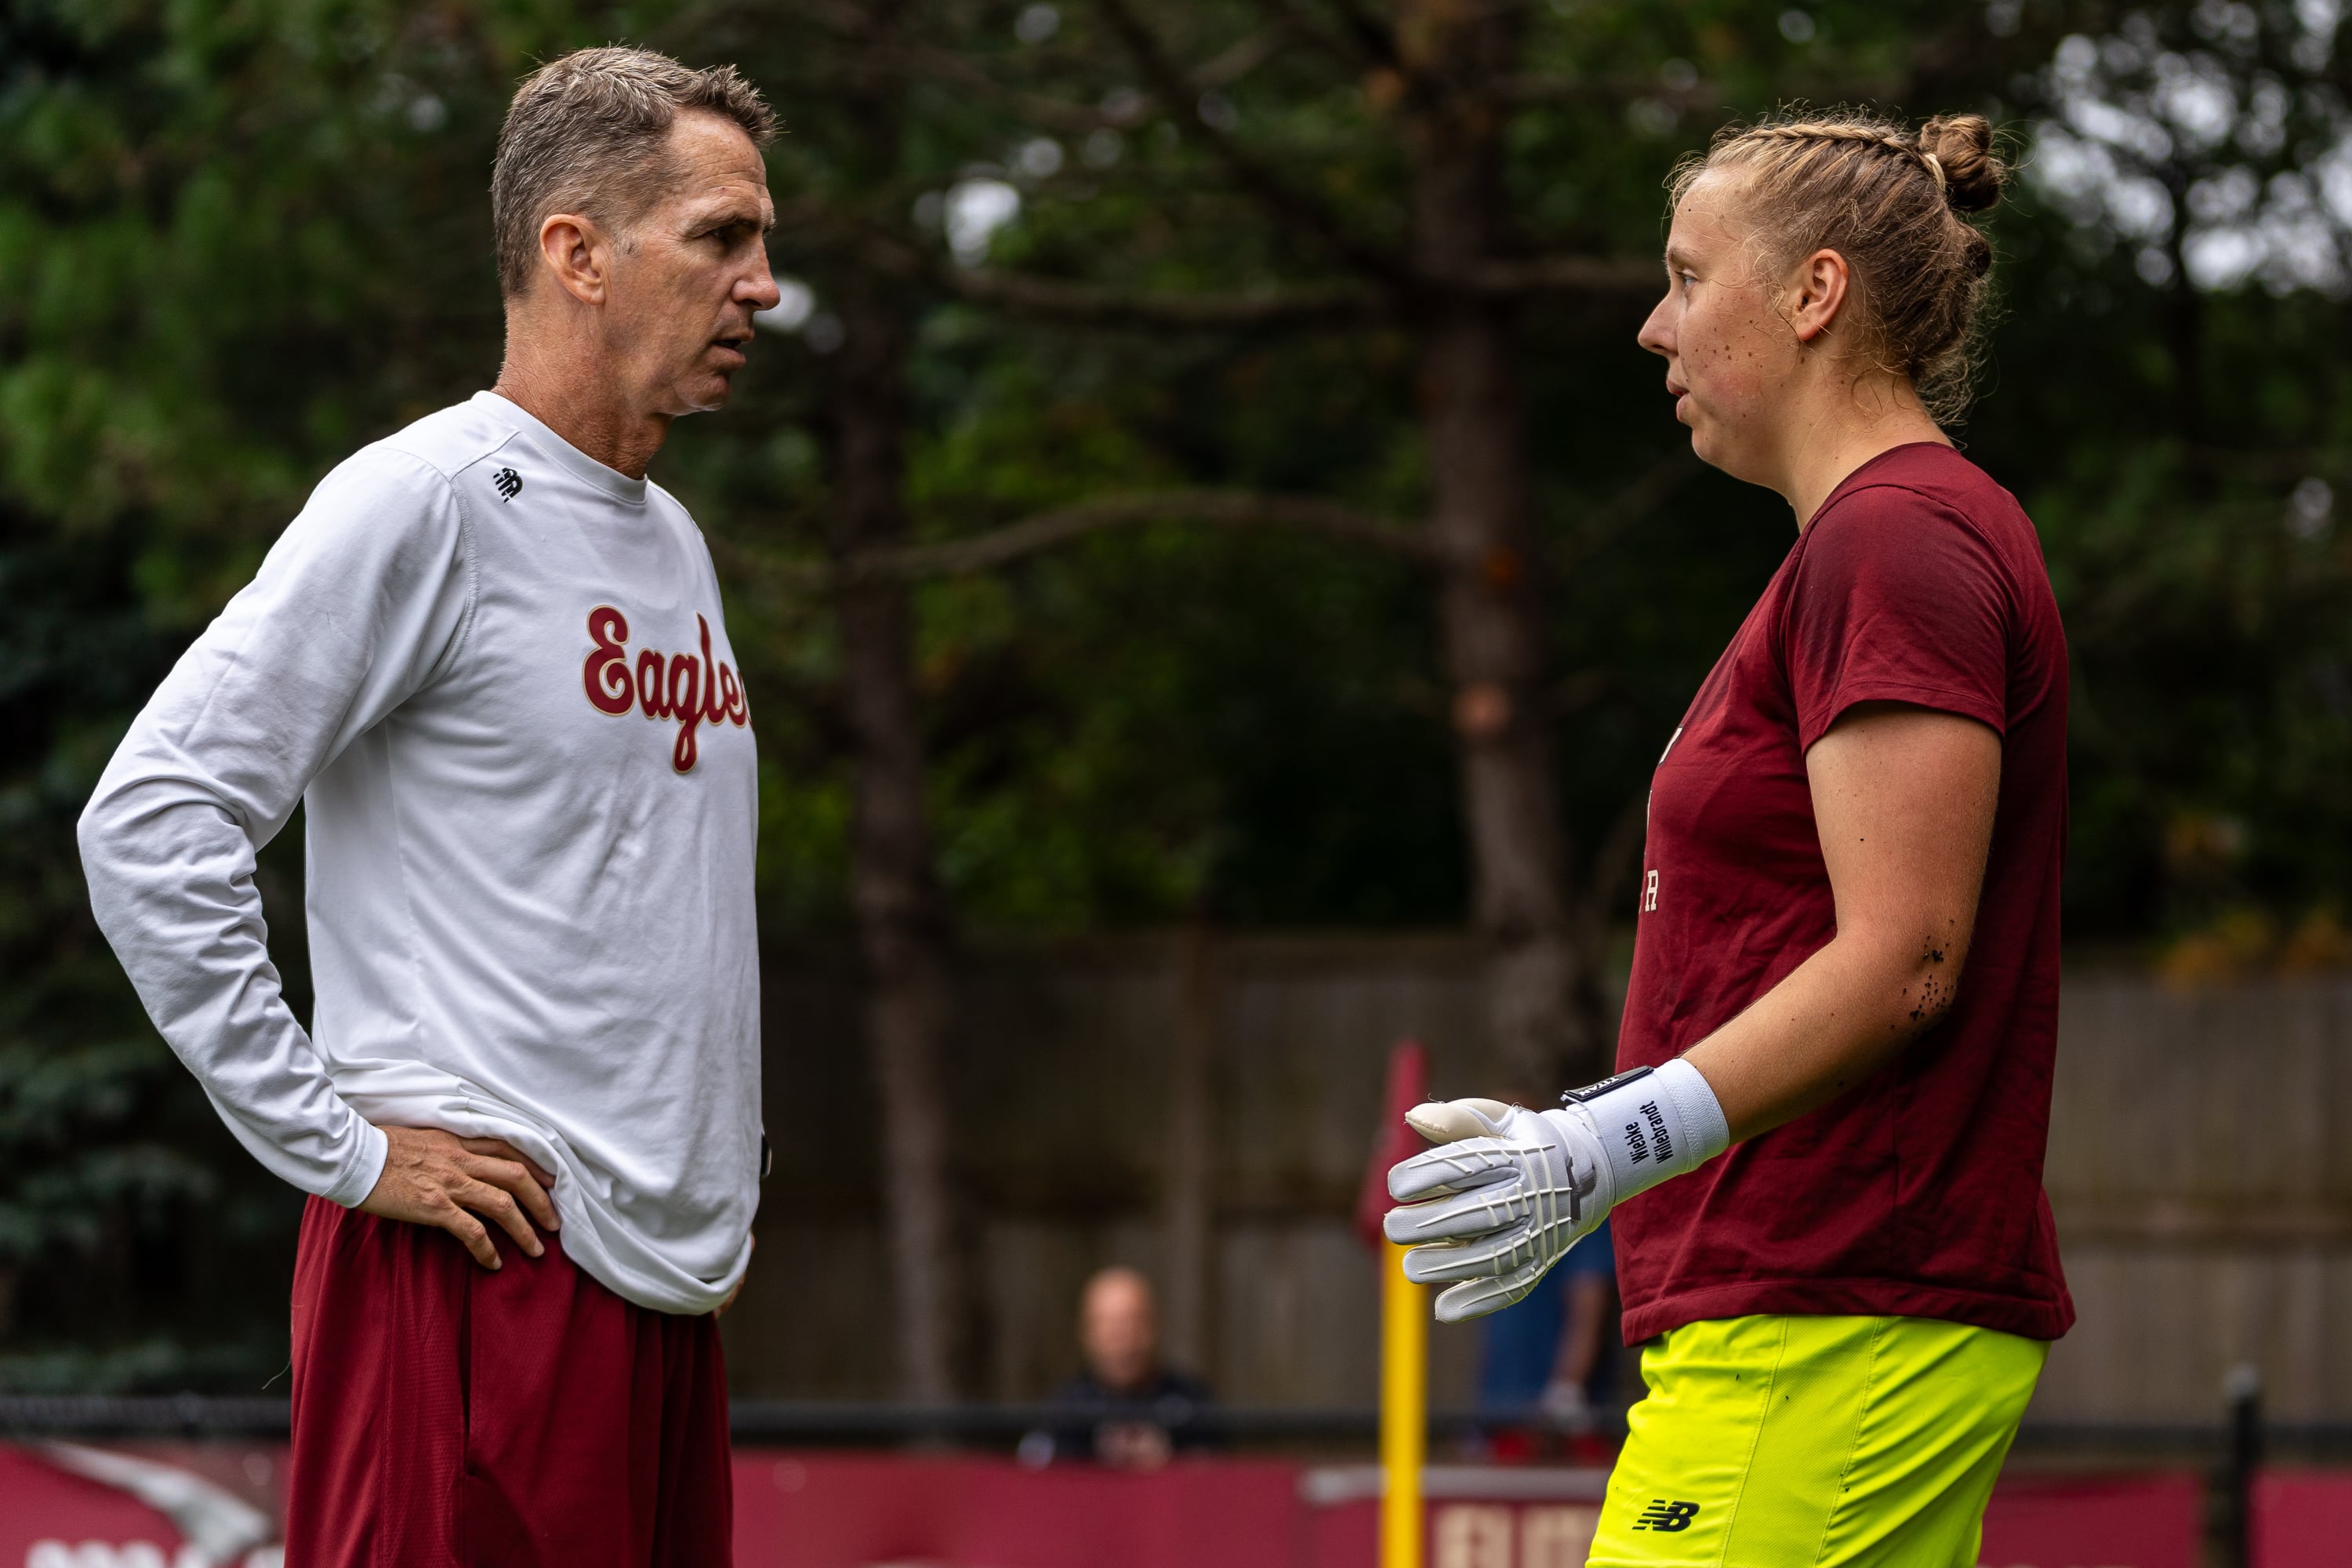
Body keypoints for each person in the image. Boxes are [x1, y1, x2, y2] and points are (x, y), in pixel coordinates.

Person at [77, 45, 782, 1565]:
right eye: (723, 236)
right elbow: (152, 820)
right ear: (577, 252)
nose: (765, 284)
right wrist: (332, 1139)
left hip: (659, 1301)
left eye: (761, 241)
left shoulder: (674, 542)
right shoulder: (430, 500)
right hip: (475, 1273)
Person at [1386, 110, 2071, 1566]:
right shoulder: (1877, 541)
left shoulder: (1897, 539)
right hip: (1807, 1321)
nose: (1654, 327)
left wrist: (1599, 1144)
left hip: (1830, 1321)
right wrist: (1605, 1140)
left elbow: (1906, 960)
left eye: (1689, 278)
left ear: (1816, 294)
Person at [1025, 1267, 1217, 1468]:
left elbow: (1213, 1476)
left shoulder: (1191, 1403)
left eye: (1135, 1323)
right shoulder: (1065, 1409)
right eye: (1110, 1327)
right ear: (1087, 1333)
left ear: (1155, 1326)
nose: (1124, 1341)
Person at [1472, 1217, 1617, 1462]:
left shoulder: (1581, 1199)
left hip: (1566, 1424)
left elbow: (1590, 1300)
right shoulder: (1499, 1204)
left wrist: (1565, 1390)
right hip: (1501, 1413)